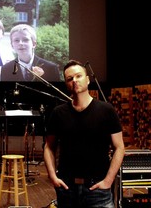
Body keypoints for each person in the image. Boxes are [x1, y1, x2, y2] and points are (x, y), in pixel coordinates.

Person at [44, 60, 125, 208]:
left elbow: (119, 147)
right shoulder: (58, 113)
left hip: (98, 189)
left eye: (78, 76)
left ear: (87, 79)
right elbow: (49, 146)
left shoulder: (107, 110)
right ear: (66, 84)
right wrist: (52, 176)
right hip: (67, 188)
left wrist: (108, 180)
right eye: (69, 78)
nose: (74, 81)